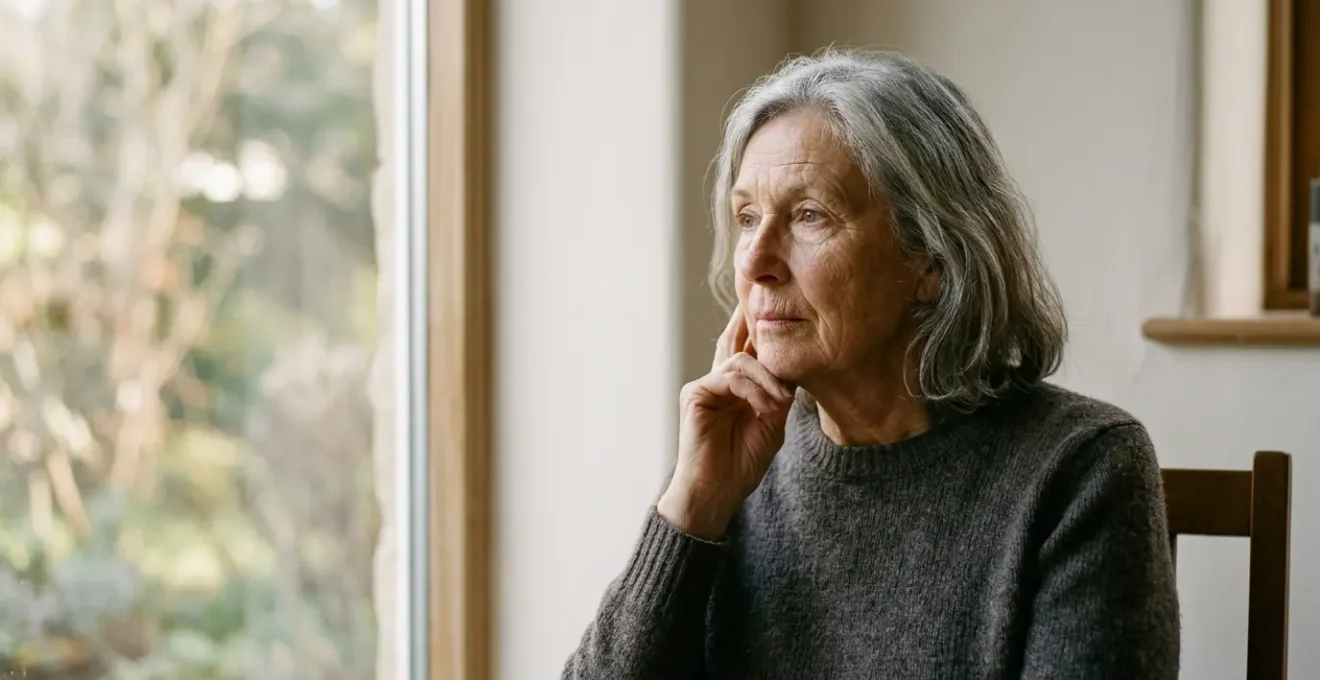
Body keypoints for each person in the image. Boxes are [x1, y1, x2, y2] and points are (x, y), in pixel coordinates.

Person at [562, 50, 1179, 679]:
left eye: (809, 215)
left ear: (932, 260)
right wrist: (690, 507)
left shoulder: (1082, 468)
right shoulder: (731, 460)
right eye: (747, 217)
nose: (754, 261)